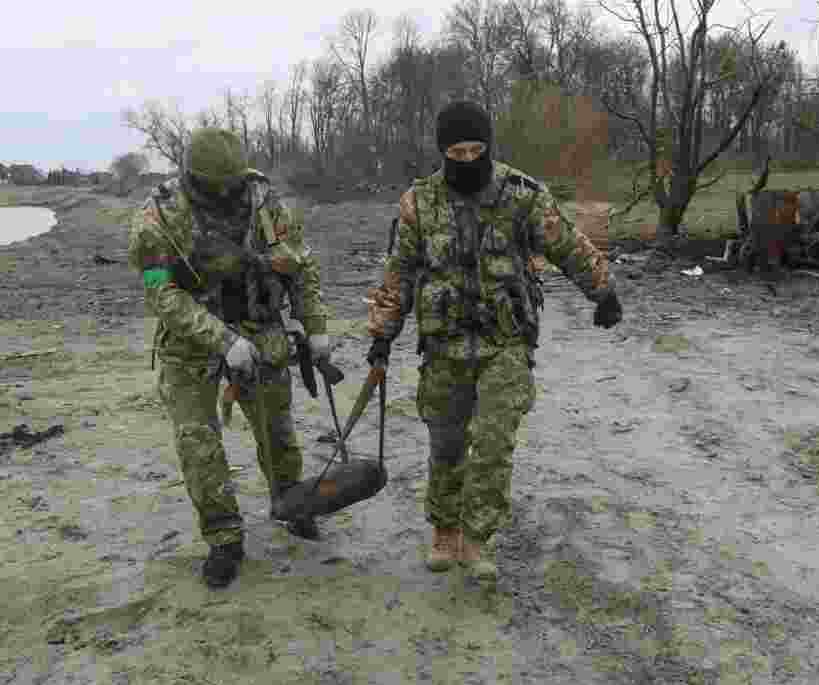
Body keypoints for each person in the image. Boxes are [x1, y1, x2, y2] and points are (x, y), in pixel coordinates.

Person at [365, 100, 623, 581]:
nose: (466, 159)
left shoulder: (522, 194)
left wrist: (602, 290)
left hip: (505, 341)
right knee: (446, 444)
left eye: (475, 149)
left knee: (494, 442)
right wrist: (382, 334)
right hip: (444, 346)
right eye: (456, 151)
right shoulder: (419, 202)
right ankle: (444, 530)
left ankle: (477, 538)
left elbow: (566, 242)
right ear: (443, 152)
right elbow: (399, 271)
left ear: (488, 147)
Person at [127, 127, 332, 588]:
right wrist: (222, 340)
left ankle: (291, 504)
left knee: (277, 431)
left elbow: (302, 265)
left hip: (261, 327)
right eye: (214, 185)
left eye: (232, 183)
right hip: (190, 342)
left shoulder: (266, 201)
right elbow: (162, 294)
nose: (225, 193)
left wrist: (315, 328)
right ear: (192, 179)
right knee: (198, 443)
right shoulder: (158, 215)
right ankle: (224, 538)